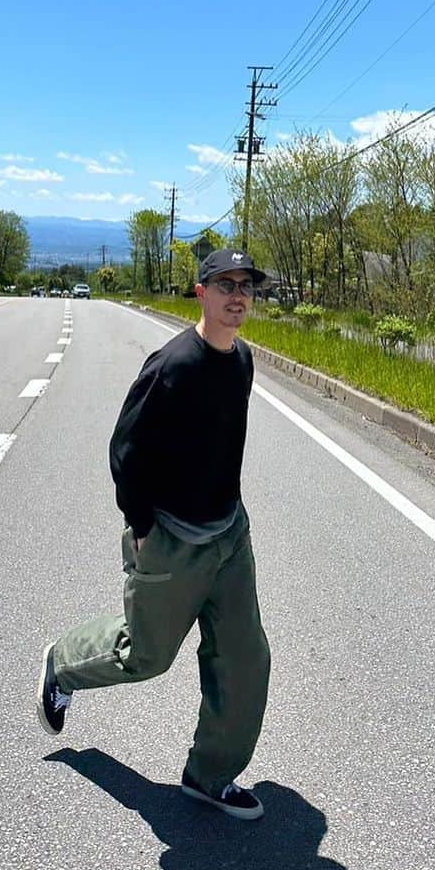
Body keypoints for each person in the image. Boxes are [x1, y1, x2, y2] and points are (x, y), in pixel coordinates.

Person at [37, 249, 272, 820]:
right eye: (225, 285)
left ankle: (210, 776)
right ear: (202, 292)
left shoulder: (242, 359)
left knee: (246, 657)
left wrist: (231, 514)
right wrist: (141, 527)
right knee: (145, 657)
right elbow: (126, 451)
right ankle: (63, 663)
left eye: (245, 285)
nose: (237, 295)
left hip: (228, 535)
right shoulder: (172, 365)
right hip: (171, 538)